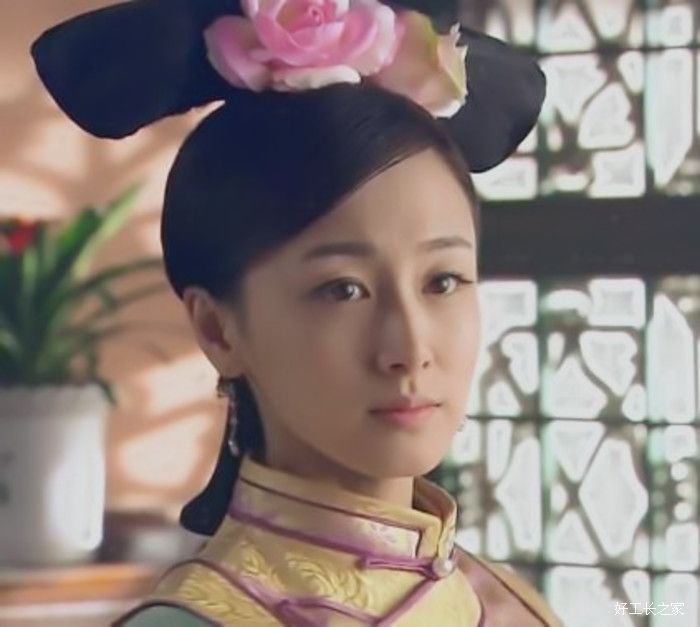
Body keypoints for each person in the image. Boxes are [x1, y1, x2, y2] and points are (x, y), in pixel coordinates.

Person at [32, 0, 560, 624]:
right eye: (343, 290)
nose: (410, 348)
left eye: (442, 281)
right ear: (217, 329)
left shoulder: (503, 599)